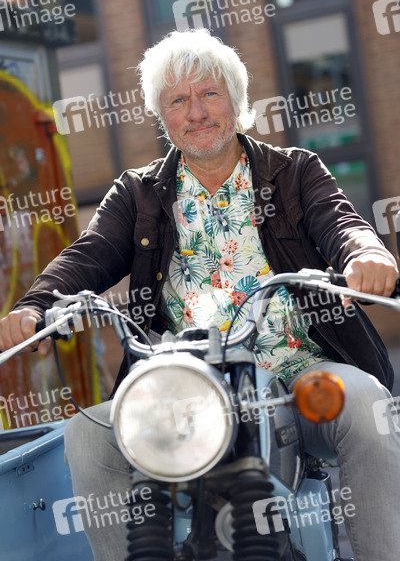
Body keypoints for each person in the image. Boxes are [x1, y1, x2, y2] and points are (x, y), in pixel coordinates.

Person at [0, 29, 399, 561]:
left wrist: (364, 256)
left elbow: (342, 223)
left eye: (209, 93)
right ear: (162, 116)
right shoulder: (138, 193)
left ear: (236, 99)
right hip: (183, 388)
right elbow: (88, 255)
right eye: (177, 100)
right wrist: (34, 305)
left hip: (297, 374)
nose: (196, 112)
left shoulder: (294, 171)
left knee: (366, 403)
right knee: (88, 435)